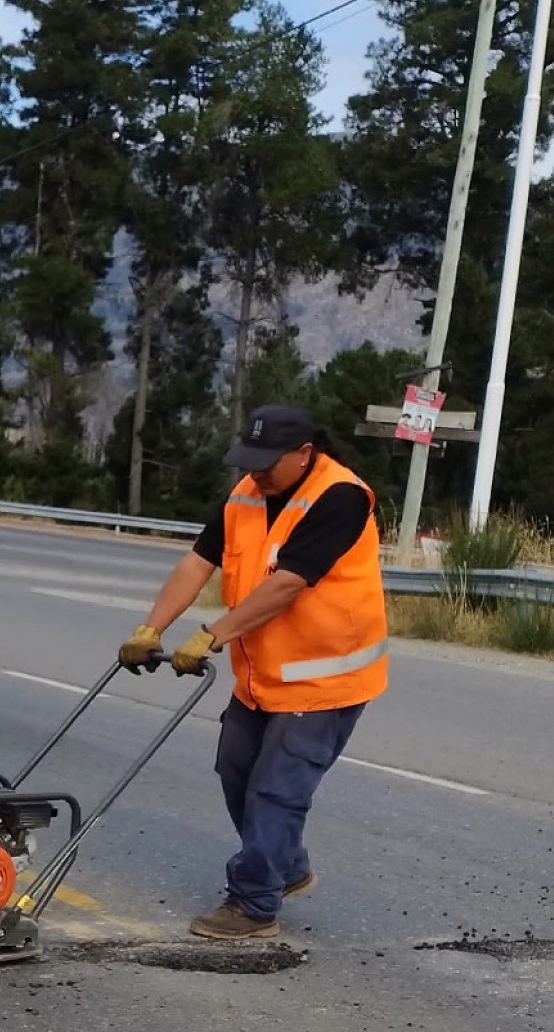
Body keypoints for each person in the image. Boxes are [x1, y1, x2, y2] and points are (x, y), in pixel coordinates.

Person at [119, 403, 390, 940]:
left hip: (324, 680)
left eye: (267, 462)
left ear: (305, 453)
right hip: (261, 676)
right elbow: (198, 562)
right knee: (236, 771)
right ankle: (286, 866)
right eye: (249, 460)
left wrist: (212, 634)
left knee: (275, 790)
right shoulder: (246, 493)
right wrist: (151, 628)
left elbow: (287, 584)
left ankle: (253, 904)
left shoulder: (340, 496)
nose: (255, 471)